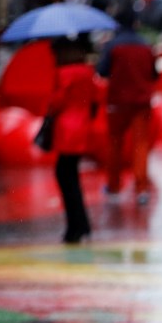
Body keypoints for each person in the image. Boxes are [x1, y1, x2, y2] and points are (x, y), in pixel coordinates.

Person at [96, 9, 159, 205]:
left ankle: (114, 185)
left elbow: (102, 71)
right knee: (140, 145)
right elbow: (154, 74)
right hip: (141, 103)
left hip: (117, 103)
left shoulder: (112, 46)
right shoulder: (145, 46)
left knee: (115, 144)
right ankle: (141, 188)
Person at [49, 36, 102, 244]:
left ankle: (75, 226)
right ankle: (81, 224)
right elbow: (96, 98)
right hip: (81, 129)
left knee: (65, 176)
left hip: (66, 130)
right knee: (72, 177)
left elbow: (56, 102)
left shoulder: (63, 73)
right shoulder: (87, 72)